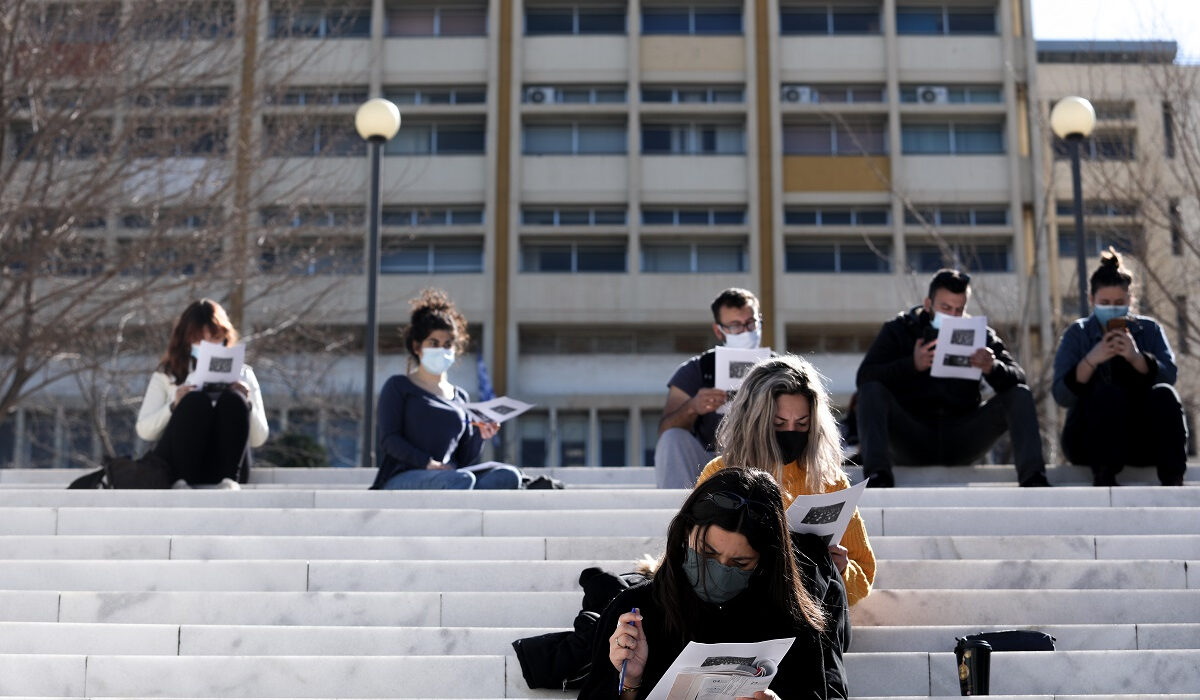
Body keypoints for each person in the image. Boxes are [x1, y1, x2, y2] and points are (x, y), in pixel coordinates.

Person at [578, 468, 841, 700]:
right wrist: (630, 683)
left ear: (764, 563)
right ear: (684, 535)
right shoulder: (635, 610)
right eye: (707, 553)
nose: (720, 570)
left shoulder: (791, 619)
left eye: (740, 563)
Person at [697, 355, 875, 607]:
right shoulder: (720, 474)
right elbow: (694, 563)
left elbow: (863, 577)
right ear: (754, 422)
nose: (791, 431)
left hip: (806, 611)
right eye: (779, 424)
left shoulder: (827, 480)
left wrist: (842, 570)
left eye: (802, 424)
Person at [855, 269, 1050, 488]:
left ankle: (1034, 479)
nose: (953, 315)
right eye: (946, 308)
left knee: (1020, 394)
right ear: (928, 304)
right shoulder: (899, 329)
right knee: (871, 391)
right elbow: (865, 377)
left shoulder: (980, 334)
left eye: (959, 310)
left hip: (963, 437)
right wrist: (911, 365)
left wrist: (991, 367)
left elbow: (1019, 378)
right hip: (912, 437)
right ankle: (878, 478)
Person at [1052, 249, 1188, 486]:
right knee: (1107, 391)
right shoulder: (1078, 334)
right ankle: (1105, 477)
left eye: (1118, 303)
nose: (1112, 309)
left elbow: (1170, 377)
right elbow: (1062, 395)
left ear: (1130, 300)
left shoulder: (1149, 330)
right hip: (1088, 442)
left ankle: (1173, 478)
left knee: (1165, 394)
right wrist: (1091, 360)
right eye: (1104, 303)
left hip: (1141, 438)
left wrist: (1136, 358)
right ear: (1092, 300)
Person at [371, 288, 521, 490]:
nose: (441, 350)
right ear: (417, 347)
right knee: (460, 481)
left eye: (447, 344)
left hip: (451, 477)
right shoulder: (399, 387)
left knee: (507, 476)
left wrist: (480, 434)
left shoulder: (460, 396)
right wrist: (429, 463)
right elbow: (389, 440)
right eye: (434, 343)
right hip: (404, 476)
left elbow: (465, 459)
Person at [136, 299, 268, 489]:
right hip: (178, 464)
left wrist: (247, 404)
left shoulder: (244, 373)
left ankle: (229, 481)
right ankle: (181, 481)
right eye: (199, 339)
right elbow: (144, 430)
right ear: (186, 340)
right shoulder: (167, 374)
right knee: (194, 401)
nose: (206, 345)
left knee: (233, 399)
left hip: (226, 466)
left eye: (214, 337)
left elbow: (259, 439)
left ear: (224, 337)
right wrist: (174, 406)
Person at [655, 288, 764, 489]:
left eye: (751, 323)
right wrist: (693, 407)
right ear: (718, 330)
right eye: (735, 326)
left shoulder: (778, 367)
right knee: (673, 437)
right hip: (706, 458)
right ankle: (679, 516)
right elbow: (665, 429)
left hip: (762, 459)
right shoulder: (698, 369)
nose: (745, 332)